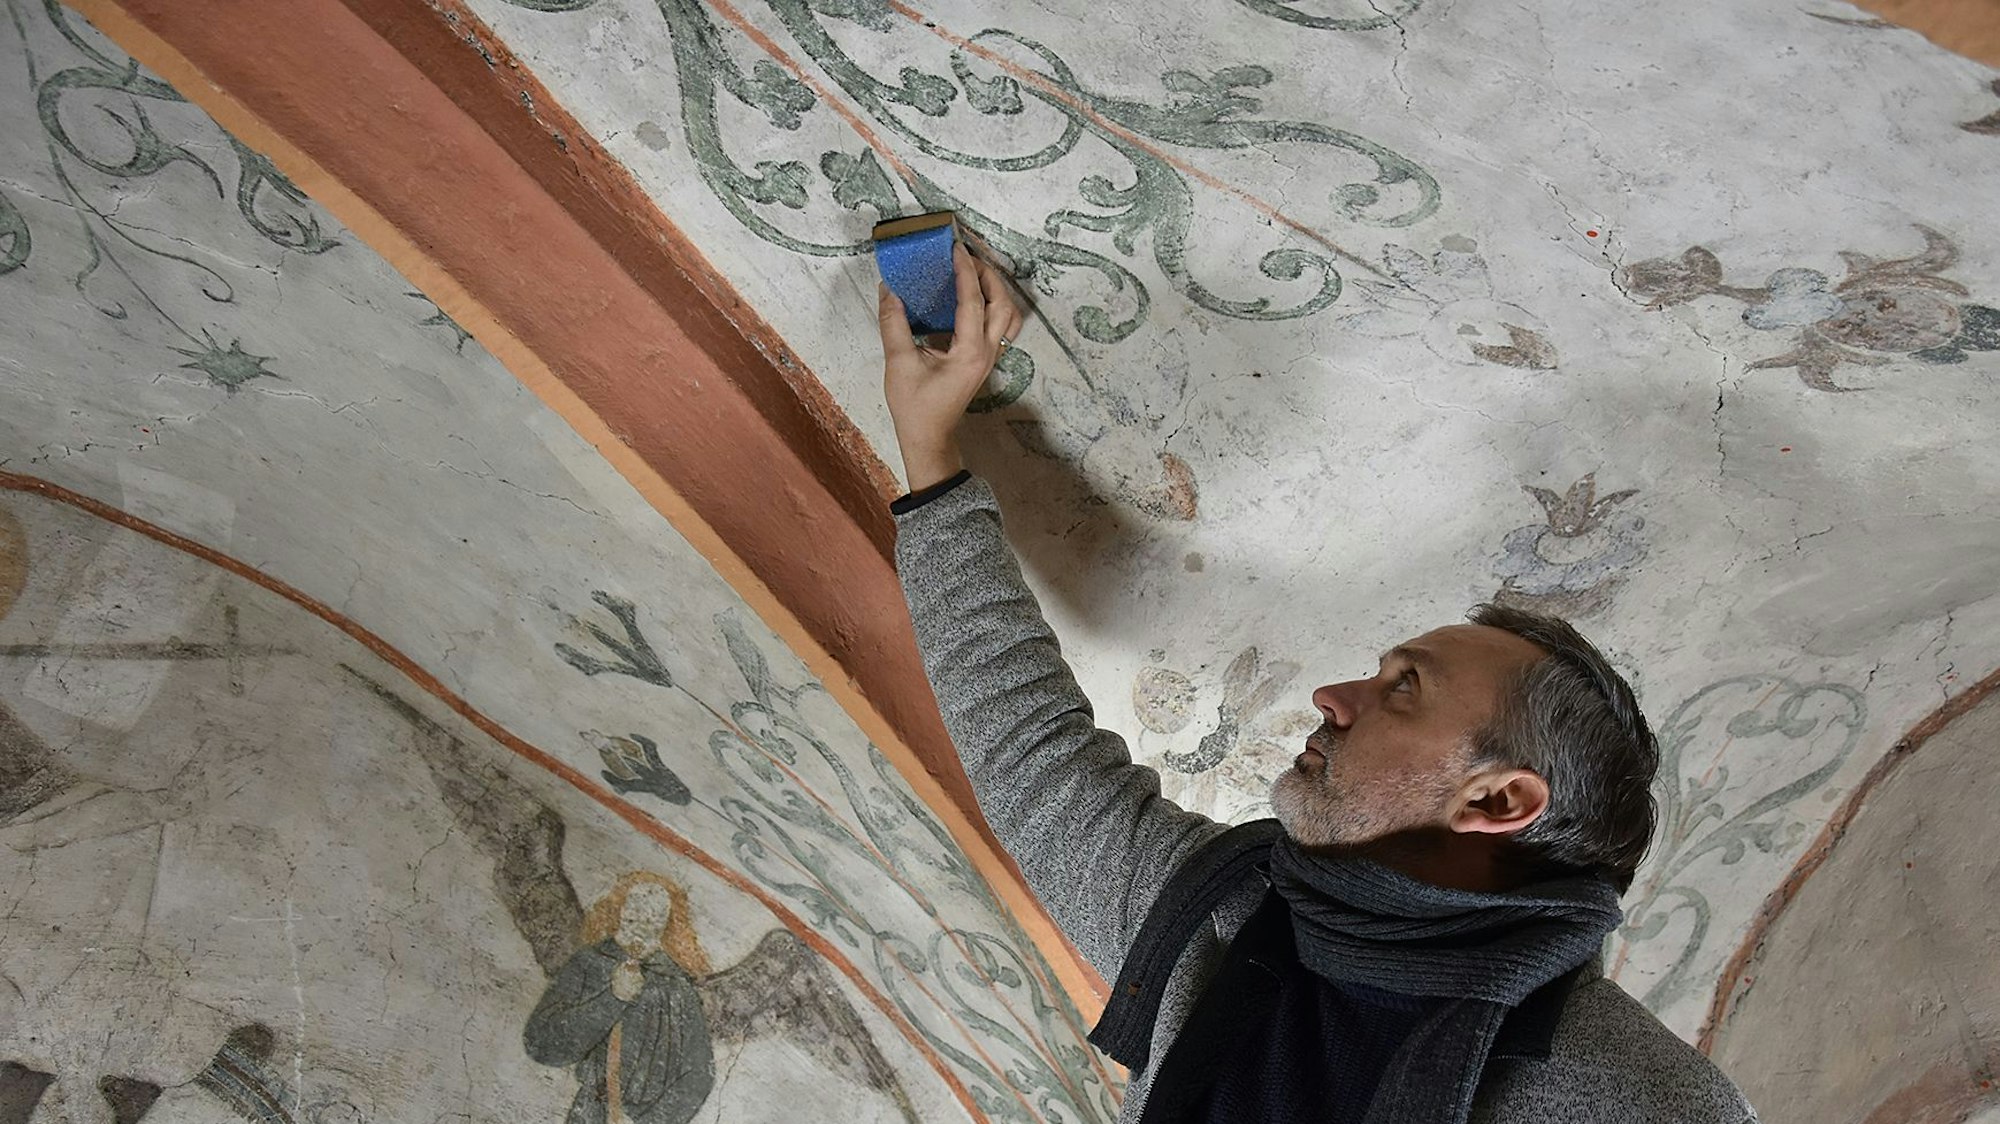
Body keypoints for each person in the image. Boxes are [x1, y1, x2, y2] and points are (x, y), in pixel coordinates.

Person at [875, 244, 1758, 1123]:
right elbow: (1032, 754)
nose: (1334, 698)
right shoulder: (1219, 914)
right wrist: (928, 447)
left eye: (1404, 688)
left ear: (1496, 801)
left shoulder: (1645, 1104)